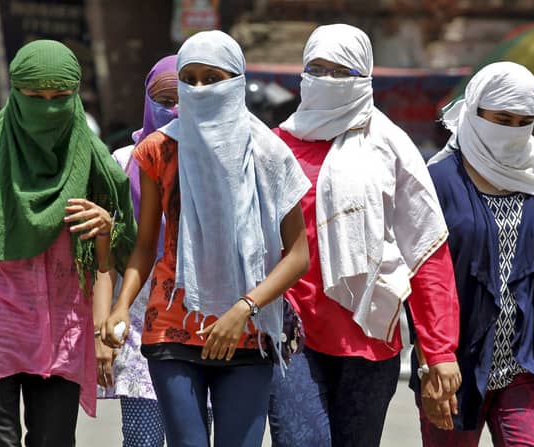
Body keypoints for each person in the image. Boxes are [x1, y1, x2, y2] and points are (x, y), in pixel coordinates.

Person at [102, 30, 311, 447]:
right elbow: (145, 246)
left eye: (212, 78)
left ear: (236, 82)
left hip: (248, 329)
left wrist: (243, 308)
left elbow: (297, 256)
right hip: (172, 327)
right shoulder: (158, 150)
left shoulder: (269, 154)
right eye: (189, 79)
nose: (198, 89)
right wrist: (120, 306)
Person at [0, 40, 136, 446]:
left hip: (64, 324)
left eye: (60, 97)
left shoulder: (93, 159)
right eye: (35, 97)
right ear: (15, 93)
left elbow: (111, 257)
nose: (49, 109)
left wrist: (108, 226)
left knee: (54, 440)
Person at [267, 24, 461, 447]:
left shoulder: (391, 147)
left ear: (365, 75)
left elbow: (426, 249)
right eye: (317, 69)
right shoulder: (276, 146)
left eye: (341, 72)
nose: (327, 80)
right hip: (290, 332)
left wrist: (439, 349)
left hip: (369, 335)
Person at [420, 62, 534, 446]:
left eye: (523, 122)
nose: (512, 131)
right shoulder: (440, 181)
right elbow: (422, 278)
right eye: (502, 119)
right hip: (454, 369)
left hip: (531, 365)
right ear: (475, 110)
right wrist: (431, 362)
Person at [95, 54, 184, 447]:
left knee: (192, 436)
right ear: (148, 102)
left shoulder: (217, 160)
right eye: (164, 101)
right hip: (137, 318)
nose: (174, 110)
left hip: (201, 320)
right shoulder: (123, 163)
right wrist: (103, 329)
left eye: (182, 99)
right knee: (141, 439)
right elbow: (107, 259)